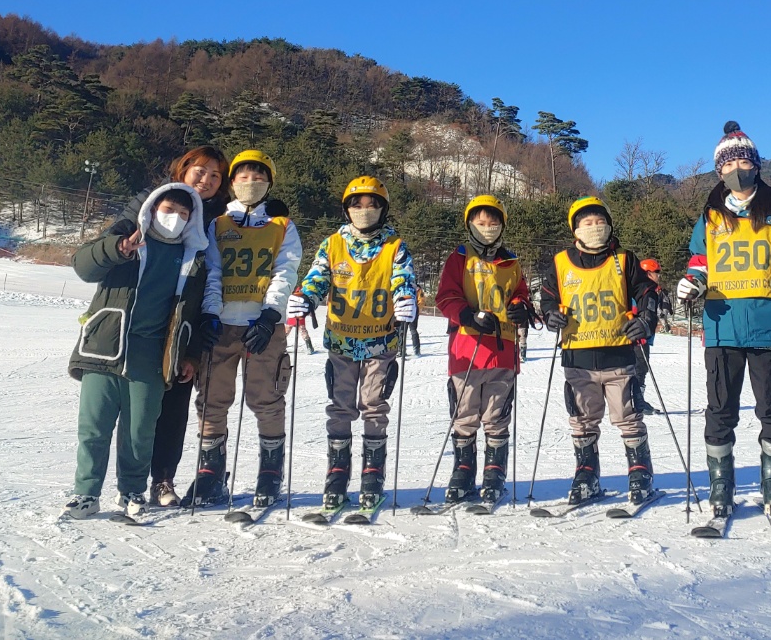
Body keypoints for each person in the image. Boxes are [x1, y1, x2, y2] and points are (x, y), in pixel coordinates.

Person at [676, 122, 771, 521]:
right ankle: (721, 488)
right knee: (720, 411)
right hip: (723, 327)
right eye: (729, 162)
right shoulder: (711, 216)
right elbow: (699, 264)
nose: (737, 168)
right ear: (719, 170)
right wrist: (690, 283)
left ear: (756, 166)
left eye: (743, 160)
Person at [65, 183, 208, 520]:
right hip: (105, 348)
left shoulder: (193, 259)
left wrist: (191, 354)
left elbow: (197, 311)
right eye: (168, 211)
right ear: (152, 210)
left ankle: (132, 490)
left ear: (192, 221)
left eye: (183, 214)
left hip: (153, 355)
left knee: (140, 430)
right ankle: (85, 493)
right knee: (93, 427)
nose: (174, 219)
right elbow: (83, 266)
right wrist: (116, 248)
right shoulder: (128, 239)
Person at [290, 176, 418, 512]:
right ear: (347, 209)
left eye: (372, 204)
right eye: (357, 204)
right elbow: (318, 277)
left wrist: (406, 298)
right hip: (342, 340)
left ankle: (372, 474)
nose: (364, 210)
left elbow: (403, 278)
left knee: (374, 405)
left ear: (382, 209)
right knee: (340, 405)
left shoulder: (394, 245)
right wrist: (306, 298)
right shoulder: (333, 244)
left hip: (380, 341)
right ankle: (337, 473)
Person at [191, 150, 304, 507]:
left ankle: (270, 473)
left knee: (266, 398)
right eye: (242, 177)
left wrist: (271, 314)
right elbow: (213, 271)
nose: (250, 183)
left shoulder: (282, 225)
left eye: (258, 177)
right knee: (212, 398)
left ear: (268, 183)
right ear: (232, 182)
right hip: (223, 325)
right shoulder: (218, 224)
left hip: (263, 326)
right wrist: (210, 313)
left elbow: (285, 271)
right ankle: (210, 472)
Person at [539, 197, 659, 505]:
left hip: (618, 355)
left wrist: (646, 319)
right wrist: (551, 314)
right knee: (582, 419)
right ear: (575, 229)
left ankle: (640, 472)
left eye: (599, 222)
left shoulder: (624, 259)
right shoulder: (560, 262)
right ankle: (586, 473)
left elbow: (647, 292)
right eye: (587, 223)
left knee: (628, 416)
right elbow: (548, 298)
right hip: (577, 358)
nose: (595, 228)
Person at [433, 195, 532, 504]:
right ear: (470, 224)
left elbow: (521, 295)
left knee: (497, 415)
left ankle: (494, 472)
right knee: (464, 414)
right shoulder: (459, 258)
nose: (487, 228)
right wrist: (466, 315)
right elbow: (446, 296)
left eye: (493, 223)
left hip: (502, 351)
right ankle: (462, 470)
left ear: (501, 226)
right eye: (481, 223)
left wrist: (521, 309)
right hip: (467, 349)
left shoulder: (511, 262)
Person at [632, 258, 665, 416]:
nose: (659, 275)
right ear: (648, 273)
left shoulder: (650, 289)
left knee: (639, 368)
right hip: (639, 337)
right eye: (656, 272)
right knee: (640, 368)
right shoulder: (643, 290)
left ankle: (637, 400)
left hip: (641, 336)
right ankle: (637, 402)